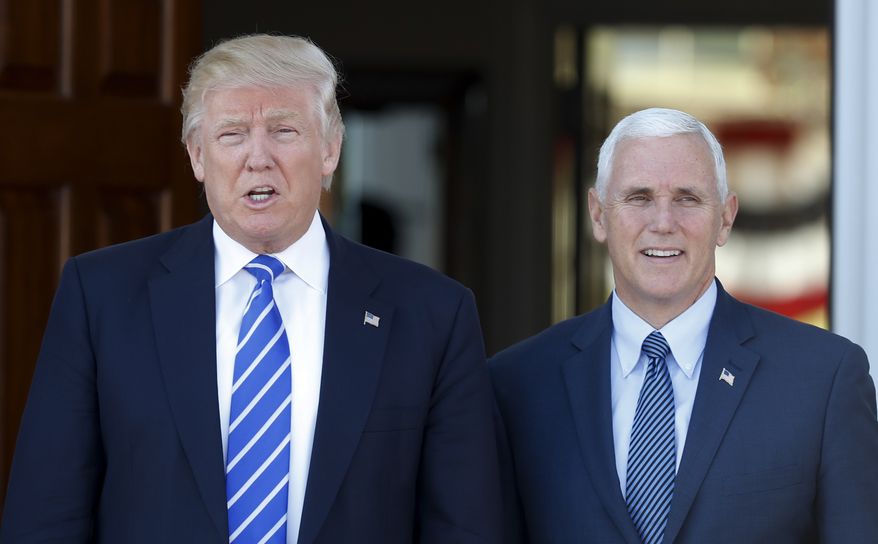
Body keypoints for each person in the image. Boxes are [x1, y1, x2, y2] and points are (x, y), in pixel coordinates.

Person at [1, 34, 502, 544]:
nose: (258, 158)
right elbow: (46, 517)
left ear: (330, 149)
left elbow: (466, 527)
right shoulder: (101, 298)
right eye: (233, 134)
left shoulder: (433, 314)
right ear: (197, 156)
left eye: (284, 130)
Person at [490, 107, 878, 543]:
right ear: (598, 215)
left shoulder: (823, 379)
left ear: (726, 218)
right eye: (638, 197)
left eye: (687, 198)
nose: (662, 223)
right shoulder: (516, 384)